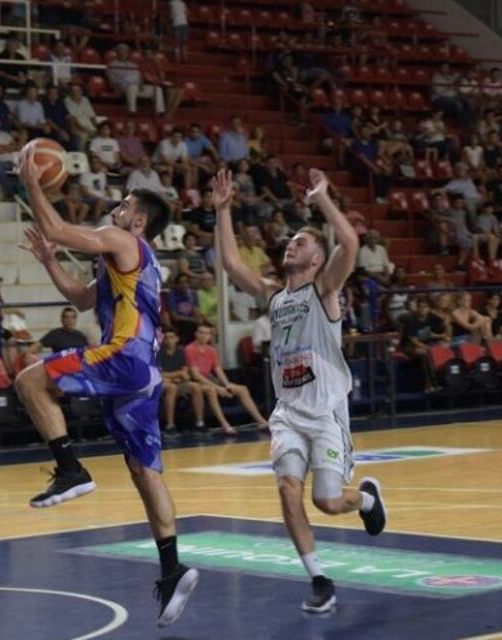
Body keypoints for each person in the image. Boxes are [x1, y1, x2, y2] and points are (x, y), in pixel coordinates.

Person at [16, 145, 198, 627]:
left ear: (138, 222)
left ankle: (70, 467)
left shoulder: (123, 242)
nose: (116, 208)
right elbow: (81, 294)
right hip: (144, 375)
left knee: (30, 380)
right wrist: (50, 261)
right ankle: (172, 567)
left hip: (125, 357)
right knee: (145, 472)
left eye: (124, 206)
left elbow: (57, 226)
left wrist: (30, 180)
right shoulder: (131, 259)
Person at [212, 167, 388, 612]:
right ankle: (320, 581)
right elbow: (232, 264)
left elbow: (350, 244)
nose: (293, 243)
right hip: (288, 414)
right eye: (291, 239)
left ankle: (366, 498)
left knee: (327, 501)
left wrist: (323, 199)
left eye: (303, 241)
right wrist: (223, 209)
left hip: (326, 413)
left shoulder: (325, 289)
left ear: (316, 260)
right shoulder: (274, 294)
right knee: (288, 490)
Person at [185, 324, 268, 434]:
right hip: (198, 382)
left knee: (241, 389)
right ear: (196, 334)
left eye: (207, 333)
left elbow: (218, 369)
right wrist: (218, 387)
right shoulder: (189, 349)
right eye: (201, 333)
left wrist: (227, 384)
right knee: (212, 391)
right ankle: (225, 425)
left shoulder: (212, 350)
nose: (204, 336)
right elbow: (196, 375)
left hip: (212, 379)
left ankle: (261, 421)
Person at [159, 326, 204, 432]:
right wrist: (177, 374)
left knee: (196, 386)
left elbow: (185, 373)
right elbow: (158, 374)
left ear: (177, 339)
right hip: (161, 383)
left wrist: (176, 376)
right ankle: (170, 425)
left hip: (178, 382)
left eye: (172, 337)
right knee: (171, 387)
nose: (169, 340)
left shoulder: (181, 351)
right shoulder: (157, 353)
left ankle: (200, 423)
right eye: (166, 338)